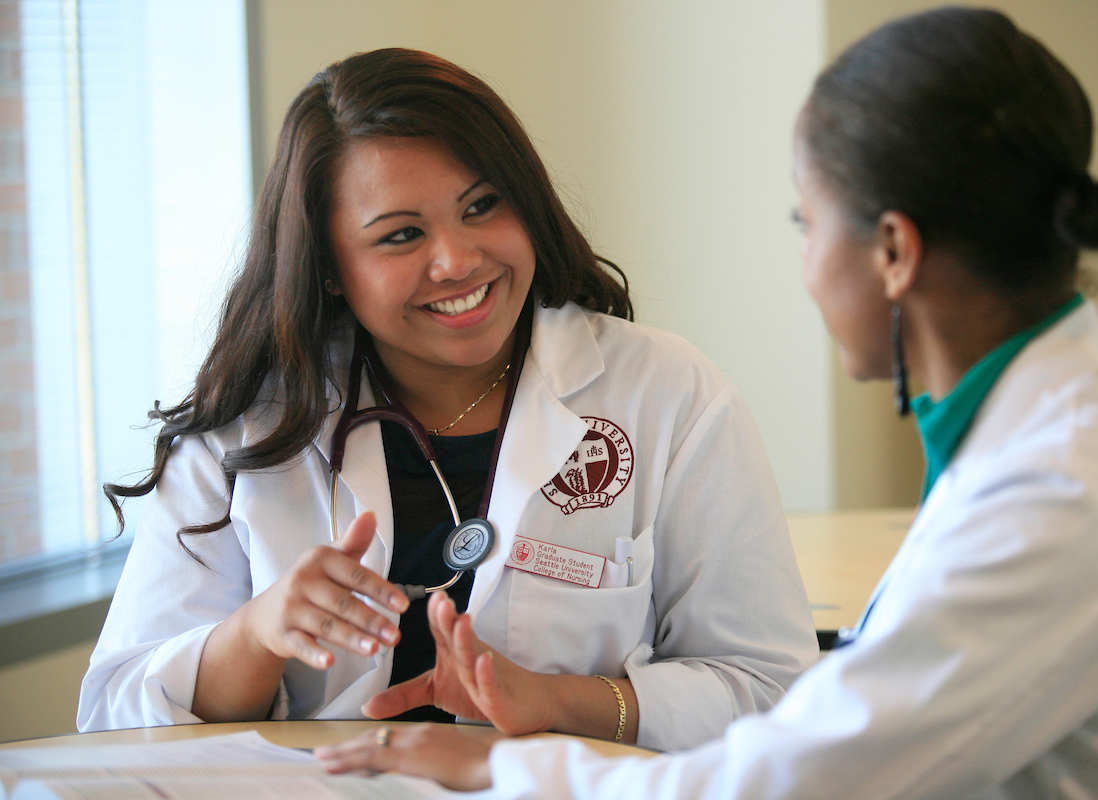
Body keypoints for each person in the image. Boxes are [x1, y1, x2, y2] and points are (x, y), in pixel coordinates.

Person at [315, 8, 1098, 797]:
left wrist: (509, 765)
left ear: (892, 251)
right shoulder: (1059, 432)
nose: (807, 264)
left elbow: (797, 783)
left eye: (806, 224)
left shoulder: (1063, 494)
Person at [76, 48, 818, 751]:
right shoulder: (248, 426)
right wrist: (257, 635)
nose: (458, 261)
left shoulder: (666, 395)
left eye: (482, 206)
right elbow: (112, 717)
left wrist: (556, 702)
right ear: (330, 268)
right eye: (401, 235)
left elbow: (770, 687)